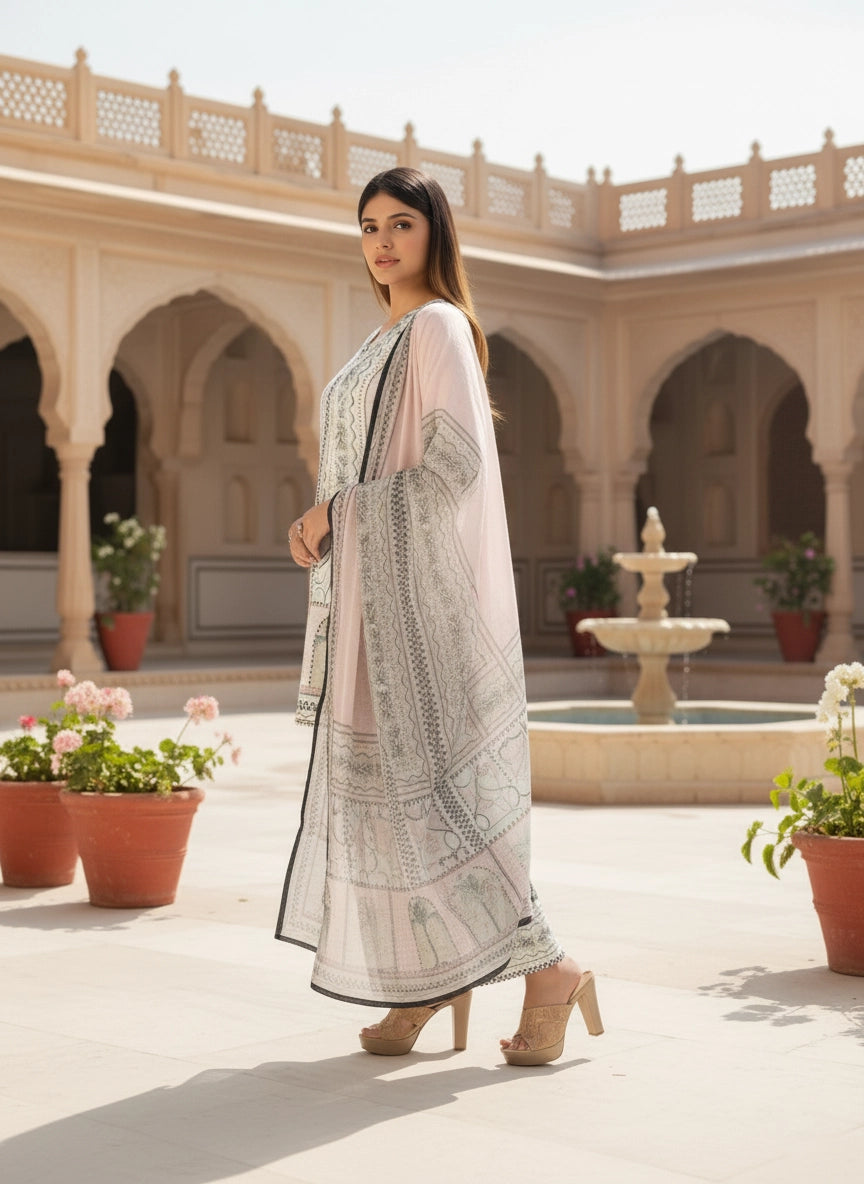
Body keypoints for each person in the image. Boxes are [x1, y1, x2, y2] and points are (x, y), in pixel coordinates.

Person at [276, 167, 602, 1065]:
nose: (382, 241)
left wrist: (336, 516)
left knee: (441, 804)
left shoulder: (438, 326)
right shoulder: (375, 341)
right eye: (369, 225)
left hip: (417, 621)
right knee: (382, 809)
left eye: (402, 224)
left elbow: (452, 465)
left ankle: (551, 968)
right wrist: (325, 527)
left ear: (435, 234)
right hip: (365, 615)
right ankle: (428, 978)